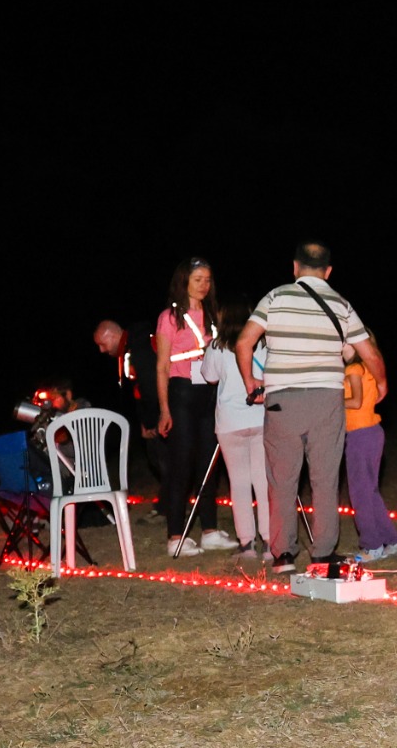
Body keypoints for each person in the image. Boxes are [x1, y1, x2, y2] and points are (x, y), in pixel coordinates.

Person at [230, 242, 383, 574]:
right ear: (328, 272)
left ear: (295, 267)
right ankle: (323, 554)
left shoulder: (274, 297)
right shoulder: (340, 303)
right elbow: (368, 353)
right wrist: (382, 383)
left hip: (282, 399)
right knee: (325, 479)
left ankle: (283, 555)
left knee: (282, 480)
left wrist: (250, 382)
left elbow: (244, 342)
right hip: (327, 400)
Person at [153, 258, 232, 555]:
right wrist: (164, 409)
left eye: (208, 279)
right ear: (184, 280)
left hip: (210, 394)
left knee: (209, 463)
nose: (204, 285)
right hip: (181, 393)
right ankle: (176, 536)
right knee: (181, 464)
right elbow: (161, 366)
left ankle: (210, 530)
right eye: (198, 279)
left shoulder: (215, 314)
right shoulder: (169, 318)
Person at [202, 309, 272, 561]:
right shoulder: (262, 343)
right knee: (263, 483)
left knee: (239, 483)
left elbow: (208, 376)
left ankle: (246, 545)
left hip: (230, 422)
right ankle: (269, 542)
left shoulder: (217, 347)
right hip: (261, 418)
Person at [342, 344, 397, 564]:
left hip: (360, 435)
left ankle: (372, 545)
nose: (340, 346)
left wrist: (330, 400)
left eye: (345, 341)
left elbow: (356, 401)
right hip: (372, 432)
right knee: (369, 491)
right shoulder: (367, 369)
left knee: (360, 493)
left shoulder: (352, 371)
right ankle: (394, 541)